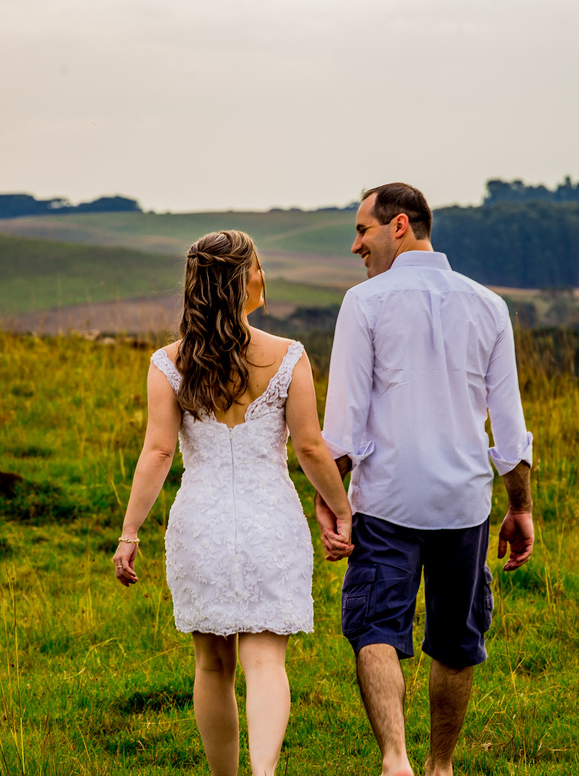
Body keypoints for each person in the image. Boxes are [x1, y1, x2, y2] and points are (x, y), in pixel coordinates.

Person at [111, 230, 354, 776]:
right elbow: (311, 448)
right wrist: (343, 510)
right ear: (241, 280)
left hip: (203, 523)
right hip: (270, 520)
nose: (264, 276)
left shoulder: (168, 364)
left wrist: (130, 533)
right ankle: (263, 774)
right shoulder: (288, 356)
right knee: (265, 658)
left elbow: (157, 451)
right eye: (259, 267)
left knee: (212, 664)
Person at [314, 183, 536, 776]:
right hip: (465, 503)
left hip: (386, 498)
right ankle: (440, 767)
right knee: (456, 639)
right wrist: (521, 508)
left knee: (375, 625)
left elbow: (341, 426)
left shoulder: (363, 304)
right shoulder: (490, 306)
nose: (356, 245)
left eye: (363, 230)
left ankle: (395, 760)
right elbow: (509, 430)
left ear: (400, 226)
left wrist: (332, 503)